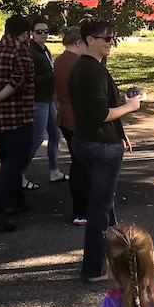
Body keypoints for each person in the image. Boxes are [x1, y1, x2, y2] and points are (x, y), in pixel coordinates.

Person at [70, 18, 141, 282]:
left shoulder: (85, 67)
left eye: (113, 37)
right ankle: (94, 269)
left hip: (88, 142)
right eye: (106, 38)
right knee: (99, 209)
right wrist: (131, 106)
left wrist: (121, 134)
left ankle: (120, 256)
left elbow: (98, 109)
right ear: (90, 40)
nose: (111, 42)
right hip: (100, 146)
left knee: (106, 203)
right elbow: (101, 114)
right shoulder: (93, 70)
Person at [0, 14, 35, 231]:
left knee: (7, 161)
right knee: (18, 160)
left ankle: (15, 201)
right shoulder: (20, 50)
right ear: (25, 33)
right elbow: (18, 80)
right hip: (17, 116)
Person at [54, 26, 91, 226]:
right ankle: (81, 211)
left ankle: (81, 209)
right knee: (81, 164)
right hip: (76, 116)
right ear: (79, 43)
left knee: (78, 162)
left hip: (64, 113)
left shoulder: (59, 60)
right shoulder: (78, 63)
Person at [25, 18, 67, 190]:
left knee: (55, 135)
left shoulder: (45, 50)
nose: (43, 34)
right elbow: (30, 80)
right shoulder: (32, 52)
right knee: (36, 138)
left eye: (46, 31)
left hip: (48, 99)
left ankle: (54, 171)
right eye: (39, 31)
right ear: (32, 34)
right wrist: (51, 73)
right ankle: (18, 173)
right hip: (38, 100)